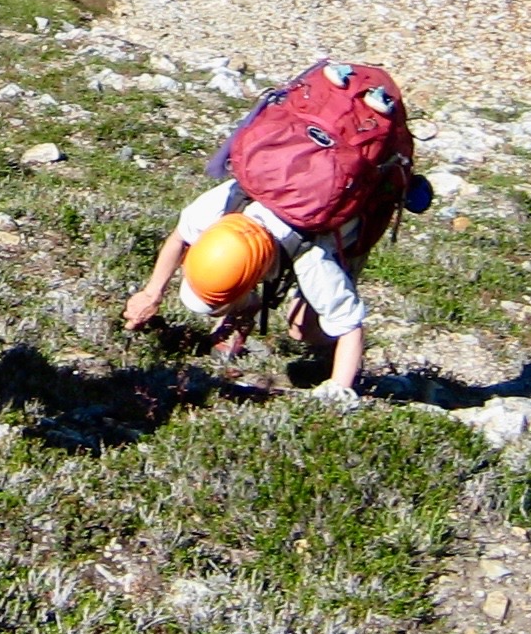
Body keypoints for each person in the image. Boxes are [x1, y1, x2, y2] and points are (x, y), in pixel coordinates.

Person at [120, 58, 423, 404]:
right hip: (290, 209)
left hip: (342, 221)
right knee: (223, 295)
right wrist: (151, 293)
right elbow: (180, 237)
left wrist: (339, 390)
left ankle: (332, 360)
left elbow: (350, 323)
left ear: (260, 272)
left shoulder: (314, 260)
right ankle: (244, 309)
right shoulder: (226, 205)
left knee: (304, 329)